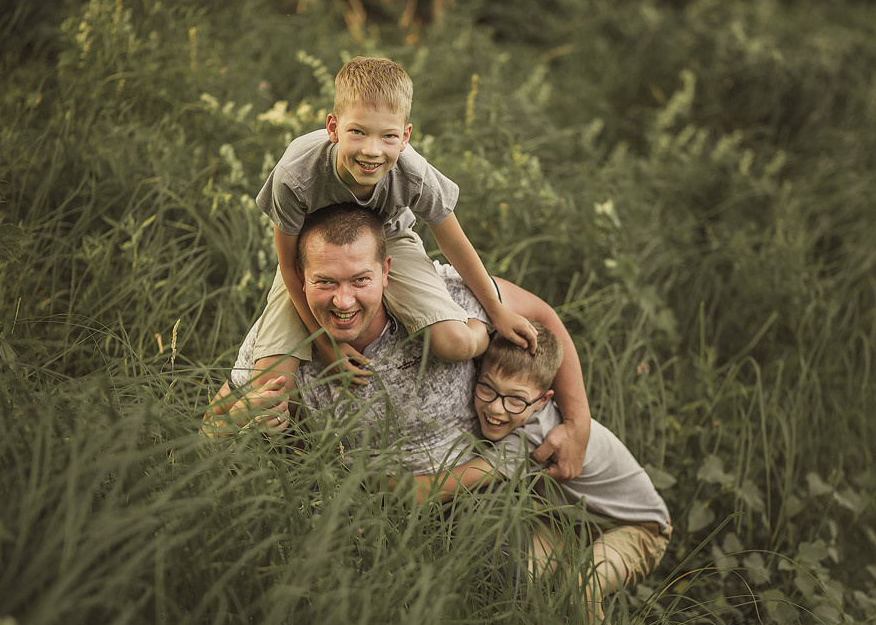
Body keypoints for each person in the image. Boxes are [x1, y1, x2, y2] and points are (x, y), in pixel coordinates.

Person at [205, 204, 590, 481]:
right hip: (364, 513)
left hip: (471, 491)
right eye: (325, 282)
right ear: (300, 279)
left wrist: (578, 424)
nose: (343, 302)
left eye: (360, 280)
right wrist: (239, 416)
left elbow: (542, 318)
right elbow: (209, 427)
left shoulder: (444, 299)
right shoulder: (279, 340)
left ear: (386, 271)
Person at [252, 55, 536, 394]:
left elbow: (454, 243)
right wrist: (329, 347)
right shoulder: (296, 174)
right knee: (269, 383)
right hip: (316, 255)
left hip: (390, 237)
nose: (372, 150)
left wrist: (497, 312)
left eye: (388, 136)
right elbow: (288, 264)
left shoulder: (413, 174)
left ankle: (480, 330)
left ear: (405, 136)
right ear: (333, 128)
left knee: (455, 344)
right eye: (357, 132)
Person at [403, 322, 672, 625]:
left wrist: (362, 481)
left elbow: (434, 490)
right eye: (487, 388)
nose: (495, 408)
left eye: (516, 399)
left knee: (582, 593)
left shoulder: (537, 436)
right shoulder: (517, 414)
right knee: (518, 585)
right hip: (567, 524)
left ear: (544, 400)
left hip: (637, 527)